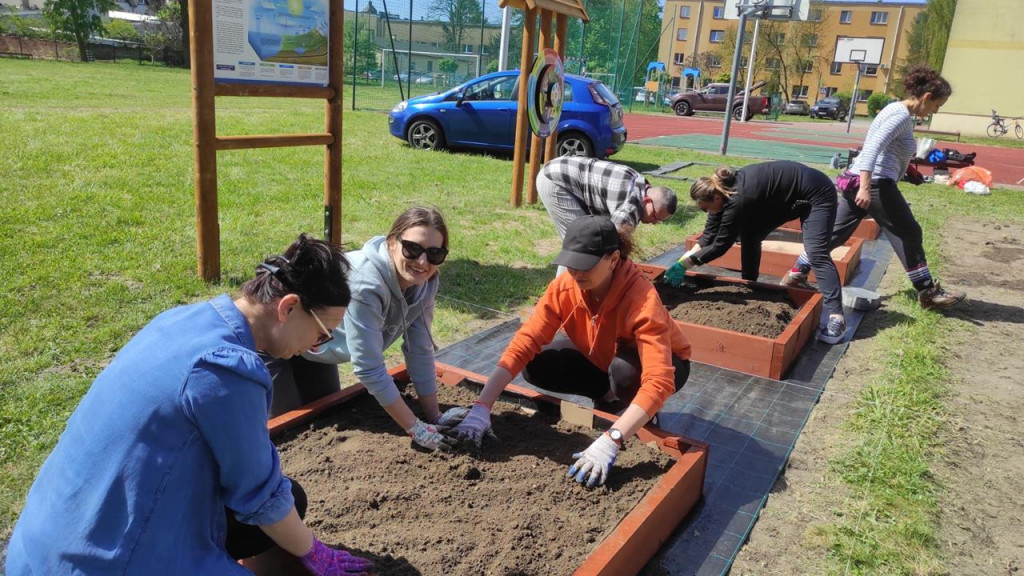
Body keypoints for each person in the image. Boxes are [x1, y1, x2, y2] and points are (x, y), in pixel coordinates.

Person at [6, 234, 374, 576]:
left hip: (41, 543)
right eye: (321, 334)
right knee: (278, 507)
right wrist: (315, 555)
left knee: (290, 497)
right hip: (99, 562)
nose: (317, 347)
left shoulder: (182, 319)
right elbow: (259, 496)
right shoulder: (227, 369)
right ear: (289, 307)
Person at [447, 216, 692, 488]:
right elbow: (525, 341)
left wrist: (612, 440)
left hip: (665, 364)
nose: (576, 273)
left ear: (613, 259)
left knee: (624, 374)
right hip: (601, 356)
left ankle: (636, 414)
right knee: (537, 362)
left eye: (585, 265)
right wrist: (482, 406)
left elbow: (659, 380)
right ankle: (607, 398)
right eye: (571, 263)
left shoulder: (642, 299)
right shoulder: (565, 287)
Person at [267, 206, 465, 452]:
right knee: (288, 433)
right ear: (392, 242)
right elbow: (369, 368)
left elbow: (419, 349)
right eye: (412, 249)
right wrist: (415, 427)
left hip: (317, 346)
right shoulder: (366, 284)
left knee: (326, 413)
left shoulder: (426, 283)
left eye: (435, 254)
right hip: (278, 341)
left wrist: (434, 417)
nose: (423, 262)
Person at [783, 66, 965, 310]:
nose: (936, 110)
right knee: (909, 232)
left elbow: (888, 153)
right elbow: (871, 149)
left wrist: (909, 175)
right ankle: (927, 291)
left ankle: (796, 273)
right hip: (874, 184)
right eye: (937, 105)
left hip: (860, 179)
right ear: (926, 97)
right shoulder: (900, 116)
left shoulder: (895, 110)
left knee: (835, 234)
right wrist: (866, 188)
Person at [664, 160, 848, 344]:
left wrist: (687, 264)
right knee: (750, 235)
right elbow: (708, 236)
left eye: (704, 208)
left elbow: (721, 244)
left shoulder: (738, 199)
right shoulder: (719, 192)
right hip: (786, 198)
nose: (705, 211)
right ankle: (750, 285)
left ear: (716, 199)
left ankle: (836, 317)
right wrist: (682, 260)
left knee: (816, 252)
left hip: (817, 193)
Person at [537, 156, 677, 274]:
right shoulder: (631, 206)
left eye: (659, 221)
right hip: (556, 180)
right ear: (647, 200)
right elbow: (613, 245)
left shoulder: (641, 184)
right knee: (580, 244)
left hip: (562, 169)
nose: (654, 222)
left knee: (587, 243)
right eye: (654, 216)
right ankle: (564, 297)